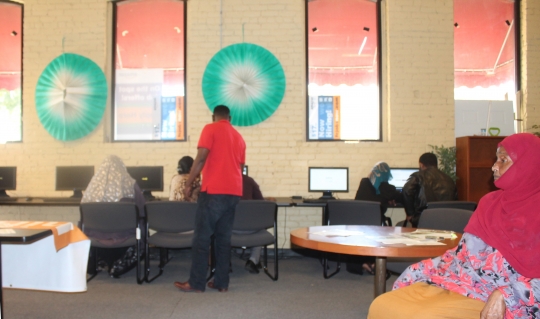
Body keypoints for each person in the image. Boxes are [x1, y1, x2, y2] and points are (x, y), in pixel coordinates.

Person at [368, 133, 540, 319]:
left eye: (503, 160)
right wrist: (424, 268)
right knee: (383, 304)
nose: (494, 166)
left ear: (527, 164)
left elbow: (407, 193)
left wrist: (506, 294)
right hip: (465, 280)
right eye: (495, 159)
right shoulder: (489, 202)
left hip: (503, 294)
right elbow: (463, 254)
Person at [174, 105, 246, 293]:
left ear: (214, 116)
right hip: (234, 193)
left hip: (214, 192)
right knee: (223, 240)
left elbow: (201, 158)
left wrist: (189, 183)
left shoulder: (210, 128)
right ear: (229, 118)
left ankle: (196, 283)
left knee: (201, 239)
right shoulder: (239, 137)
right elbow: (239, 167)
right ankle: (222, 283)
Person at [81, 155, 146, 277]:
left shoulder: (92, 188)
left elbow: (84, 217)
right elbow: (142, 210)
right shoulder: (130, 185)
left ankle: (100, 261)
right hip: (124, 235)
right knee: (141, 222)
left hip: (97, 236)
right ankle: (119, 263)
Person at [353, 162, 402, 275]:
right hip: (376, 226)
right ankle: (377, 263)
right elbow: (401, 197)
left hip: (358, 225)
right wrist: (391, 199)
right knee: (391, 229)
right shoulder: (386, 187)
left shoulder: (364, 182)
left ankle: (363, 263)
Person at [402, 152, 456, 227]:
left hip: (423, 218)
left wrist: (410, 213)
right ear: (436, 164)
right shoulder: (449, 179)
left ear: (421, 165)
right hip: (445, 219)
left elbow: (406, 190)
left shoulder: (419, 176)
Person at [239, 173, 264, 274]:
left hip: (231, 228)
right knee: (261, 227)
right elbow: (261, 201)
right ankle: (253, 260)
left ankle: (226, 263)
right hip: (250, 228)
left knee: (219, 226)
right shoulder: (249, 180)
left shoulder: (222, 181)